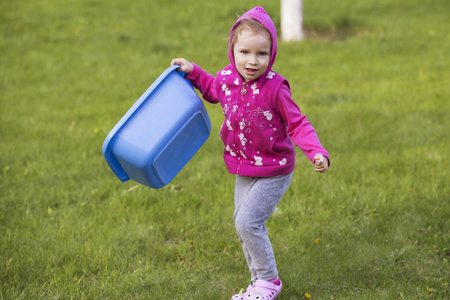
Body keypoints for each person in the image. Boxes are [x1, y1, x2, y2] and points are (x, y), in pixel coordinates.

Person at [171, 6, 330, 300]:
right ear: (233, 50)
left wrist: (317, 152)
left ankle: (269, 281)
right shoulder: (228, 79)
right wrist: (193, 72)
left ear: (272, 54)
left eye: (261, 54)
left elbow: (298, 123)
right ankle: (257, 282)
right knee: (241, 222)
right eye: (245, 52)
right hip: (243, 166)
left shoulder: (275, 89)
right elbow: (210, 89)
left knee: (248, 223)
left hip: (275, 168)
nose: (252, 62)